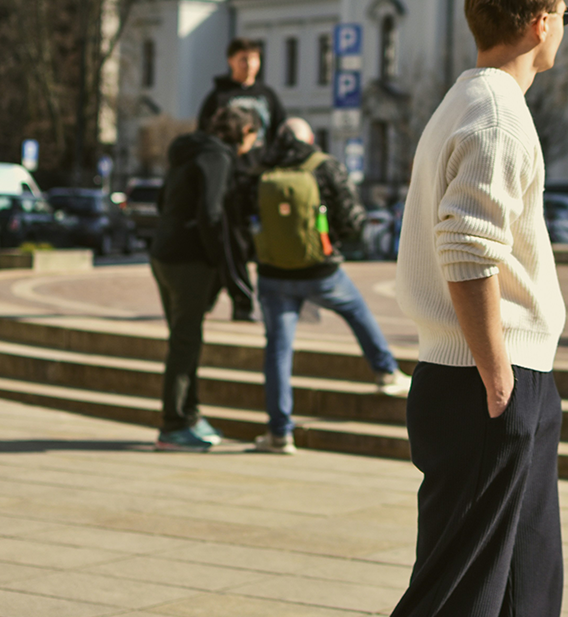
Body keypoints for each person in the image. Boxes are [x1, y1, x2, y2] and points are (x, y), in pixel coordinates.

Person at [391, 0, 568, 617]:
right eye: (565, 12)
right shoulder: (496, 115)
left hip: (491, 373)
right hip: (487, 375)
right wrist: (497, 377)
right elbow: (467, 249)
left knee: (526, 582)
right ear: (541, 23)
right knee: (458, 593)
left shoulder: (468, 100)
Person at [244, 117, 411, 455]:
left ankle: (279, 433)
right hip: (320, 270)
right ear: (309, 139)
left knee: (278, 348)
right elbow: (351, 220)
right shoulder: (324, 166)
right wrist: (331, 240)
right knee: (357, 312)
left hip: (273, 274)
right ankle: (386, 373)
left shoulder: (261, 167)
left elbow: (245, 214)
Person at [151, 105, 259, 451]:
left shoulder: (188, 152)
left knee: (184, 337)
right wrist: (219, 262)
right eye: (254, 136)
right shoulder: (218, 157)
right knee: (185, 342)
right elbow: (212, 213)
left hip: (163, 254)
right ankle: (173, 425)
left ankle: (190, 415)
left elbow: (161, 199)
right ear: (243, 133)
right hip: (189, 261)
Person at [198, 38, 286, 322]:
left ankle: (209, 298)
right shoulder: (218, 97)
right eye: (242, 59)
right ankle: (242, 302)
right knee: (232, 243)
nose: (249, 65)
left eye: (254, 59)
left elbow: (279, 137)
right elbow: (205, 140)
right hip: (229, 182)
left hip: (260, 183)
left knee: (254, 245)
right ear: (231, 61)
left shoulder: (268, 96)